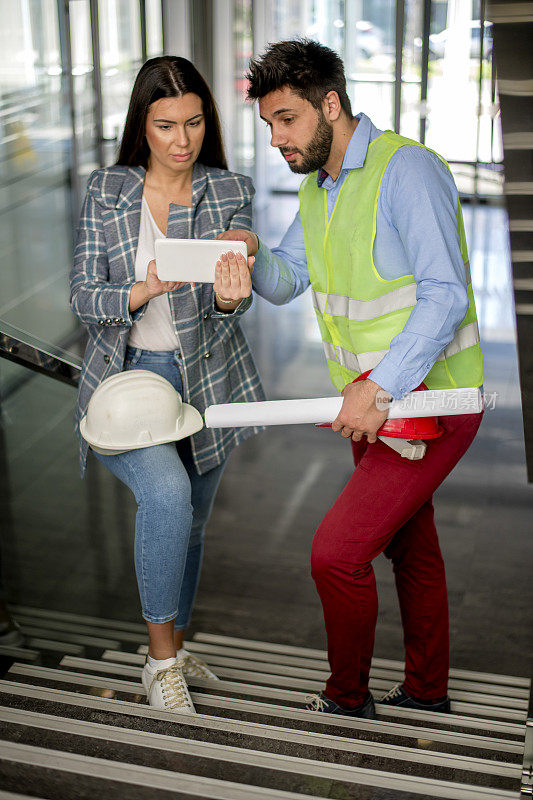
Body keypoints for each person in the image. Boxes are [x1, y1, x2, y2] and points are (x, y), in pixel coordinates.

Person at [218, 39, 484, 719]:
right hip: (374, 405)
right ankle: (426, 691)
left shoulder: (407, 170)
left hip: (430, 397)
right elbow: (288, 281)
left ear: (329, 104)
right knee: (408, 546)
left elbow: (444, 294)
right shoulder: (319, 186)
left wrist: (379, 387)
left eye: (287, 120)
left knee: (335, 555)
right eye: (270, 124)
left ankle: (345, 699)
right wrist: (252, 258)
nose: (278, 138)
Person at [70, 56, 264, 715]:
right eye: (165, 126)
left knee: (192, 522)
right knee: (168, 496)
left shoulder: (227, 189)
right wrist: (141, 289)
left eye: (194, 123)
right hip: (127, 383)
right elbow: (82, 295)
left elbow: (222, 309)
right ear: (141, 127)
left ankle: (174, 647)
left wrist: (232, 297)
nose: (182, 141)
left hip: (209, 380)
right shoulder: (107, 189)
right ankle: (158, 664)